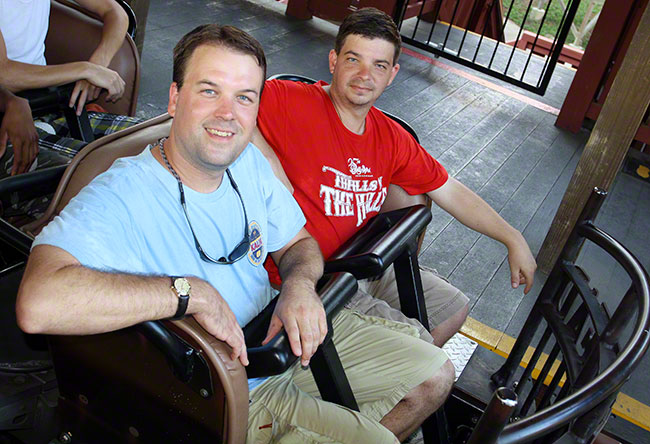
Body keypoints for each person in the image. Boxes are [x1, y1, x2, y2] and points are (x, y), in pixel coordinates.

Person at [16, 24, 454, 443]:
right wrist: (192, 293)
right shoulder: (123, 193)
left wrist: (299, 285)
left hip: (279, 334)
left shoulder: (246, 162)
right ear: (174, 98)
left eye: (244, 97)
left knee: (434, 375)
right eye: (209, 91)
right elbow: (37, 304)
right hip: (227, 385)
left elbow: (298, 243)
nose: (228, 114)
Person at [253, 7, 537, 347]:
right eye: (353, 60)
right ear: (333, 61)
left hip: (362, 262)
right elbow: (229, 105)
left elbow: (449, 190)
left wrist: (512, 237)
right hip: (308, 277)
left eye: (379, 65)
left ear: (392, 74)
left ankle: (380, 389)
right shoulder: (288, 101)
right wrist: (266, 155)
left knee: (452, 309)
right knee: (422, 356)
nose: (364, 75)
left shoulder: (391, 137)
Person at [0, 0, 141, 178]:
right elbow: (4, 74)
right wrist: (86, 70)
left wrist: (98, 63)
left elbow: (115, 12)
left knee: (152, 143)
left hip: (53, 103)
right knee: (97, 172)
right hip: (11, 115)